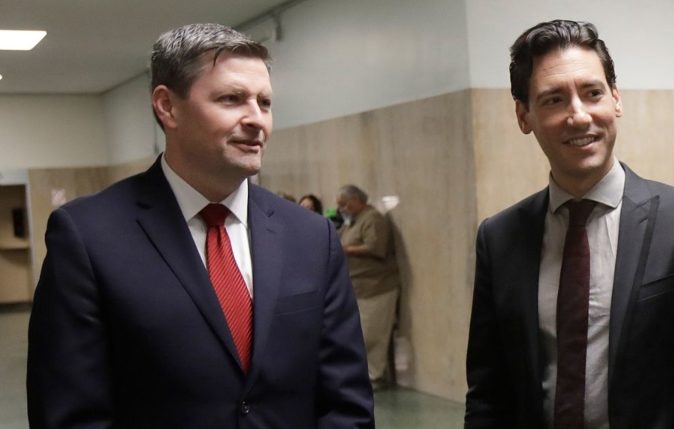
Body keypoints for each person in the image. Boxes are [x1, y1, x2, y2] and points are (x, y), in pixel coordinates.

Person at [27, 23, 373, 428]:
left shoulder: (311, 236)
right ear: (167, 106)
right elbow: (70, 415)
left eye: (264, 102)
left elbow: (346, 401)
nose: (256, 119)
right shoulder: (88, 236)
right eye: (231, 99)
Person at [465, 20, 674, 429]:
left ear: (616, 98)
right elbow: (487, 395)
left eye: (593, 93)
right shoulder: (499, 239)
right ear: (523, 115)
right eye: (553, 100)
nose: (579, 116)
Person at [336, 185, 400, 389]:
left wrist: (347, 250)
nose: (342, 208)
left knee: (373, 335)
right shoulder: (351, 222)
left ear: (357, 200)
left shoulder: (373, 218)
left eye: (344, 204)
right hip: (359, 287)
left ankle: (376, 376)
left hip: (377, 287)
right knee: (359, 335)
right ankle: (364, 375)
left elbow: (376, 247)